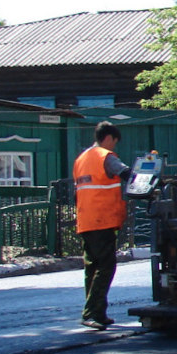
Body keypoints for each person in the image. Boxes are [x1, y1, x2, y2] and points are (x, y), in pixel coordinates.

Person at [73, 121, 130, 330]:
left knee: (92, 267)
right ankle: (91, 313)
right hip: (102, 220)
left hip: (86, 220)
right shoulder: (105, 157)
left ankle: (99, 311)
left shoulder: (81, 159)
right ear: (109, 138)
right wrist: (151, 180)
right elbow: (126, 173)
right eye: (115, 142)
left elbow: (77, 192)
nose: (114, 146)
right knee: (106, 266)